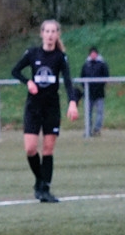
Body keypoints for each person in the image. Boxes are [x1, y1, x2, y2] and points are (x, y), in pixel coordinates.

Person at [10, 19, 80, 203]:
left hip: (51, 108)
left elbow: (68, 81)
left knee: (48, 149)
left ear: (57, 34)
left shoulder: (60, 57)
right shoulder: (32, 53)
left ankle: (45, 189)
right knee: (30, 148)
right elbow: (15, 71)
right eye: (47, 31)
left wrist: (72, 102)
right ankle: (40, 181)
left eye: (53, 31)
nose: (50, 35)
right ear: (42, 34)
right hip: (33, 107)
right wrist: (28, 82)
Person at [80, 46, 109, 137]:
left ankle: (97, 129)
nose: (93, 55)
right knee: (88, 113)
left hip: (99, 93)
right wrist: (85, 88)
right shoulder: (86, 65)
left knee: (99, 112)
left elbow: (106, 76)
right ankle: (88, 130)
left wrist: (100, 86)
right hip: (88, 93)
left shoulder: (102, 64)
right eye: (91, 54)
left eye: (94, 53)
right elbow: (82, 77)